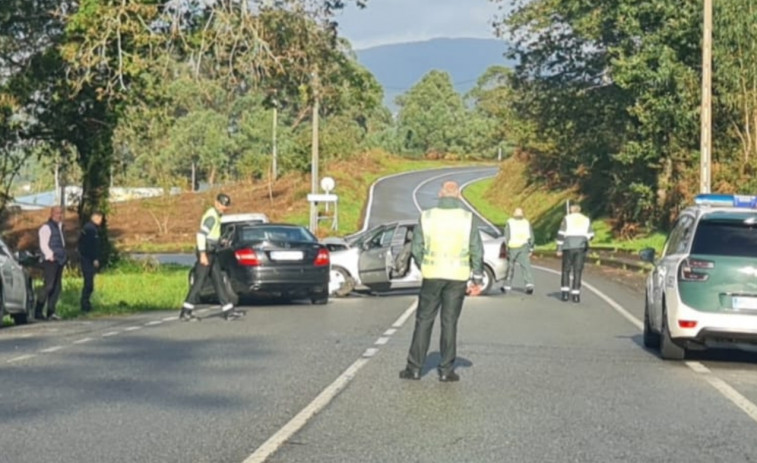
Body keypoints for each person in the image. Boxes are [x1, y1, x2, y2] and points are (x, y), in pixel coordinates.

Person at [399, 181, 484, 383]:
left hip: (432, 274)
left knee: (424, 321)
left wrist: (424, 266)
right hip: (458, 276)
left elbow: (416, 248)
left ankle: (415, 369)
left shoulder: (427, 217)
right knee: (449, 322)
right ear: (458, 196)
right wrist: (477, 277)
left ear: (440, 194)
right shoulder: (467, 218)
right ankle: (446, 370)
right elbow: (476, 249)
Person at [180, 193, 242, 321]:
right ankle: (186, 312)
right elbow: (201, 235)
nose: (223, 208)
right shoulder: (212, 216)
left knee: (218, 280)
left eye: (225, 206)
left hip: (212, 252)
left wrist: (220, 242)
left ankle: (228, 311)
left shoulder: (217, 215)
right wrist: (202, 254)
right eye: (221, 205)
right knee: (199, 282)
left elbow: (211, 236)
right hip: (206, 253)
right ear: (216, 203)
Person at [556, 204, 594, 303]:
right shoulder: (586, 219)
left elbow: (561, 234)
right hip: (580, 247)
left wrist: (559, 248)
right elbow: (591, 235)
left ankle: (565, 294)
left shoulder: (567, 218)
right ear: (579, 210)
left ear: (571, 210)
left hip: (568, 246)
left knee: (566, 270)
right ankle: (576, 295)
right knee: (578, 270)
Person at [35, 206, 67, 321]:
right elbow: (43, 244)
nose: (60, 215)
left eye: (61, 213)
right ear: (52, 214)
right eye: (57, 213)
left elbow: (61, 243)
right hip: (50, 260)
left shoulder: (60, 227)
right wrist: (49, 255)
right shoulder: (46, 227)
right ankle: (38, 311)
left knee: (57, 287)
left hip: (60, 259)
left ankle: (51, 312)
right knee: (49, 286)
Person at [501, 207, 535, 295]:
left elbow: (506, 236)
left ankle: (507, 285)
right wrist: (531, 248)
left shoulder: (510, 222)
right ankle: (529, 285)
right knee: (525, 266)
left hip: (512, 246)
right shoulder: (526, 222)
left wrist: (506, 247)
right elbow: (531, 236)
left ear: (514, 214)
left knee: (510, 266)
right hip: (524, 246)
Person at [78, 210, 103, 313]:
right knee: (88, 284)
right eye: (100, 219)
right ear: (95, 218)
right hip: (87, 259)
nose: (101, 221)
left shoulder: (90, 228)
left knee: (89, 283)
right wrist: (94, 258)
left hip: (87, 259)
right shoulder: (90, 229)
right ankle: (85, 305)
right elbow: (89, 246)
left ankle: (86, 304)